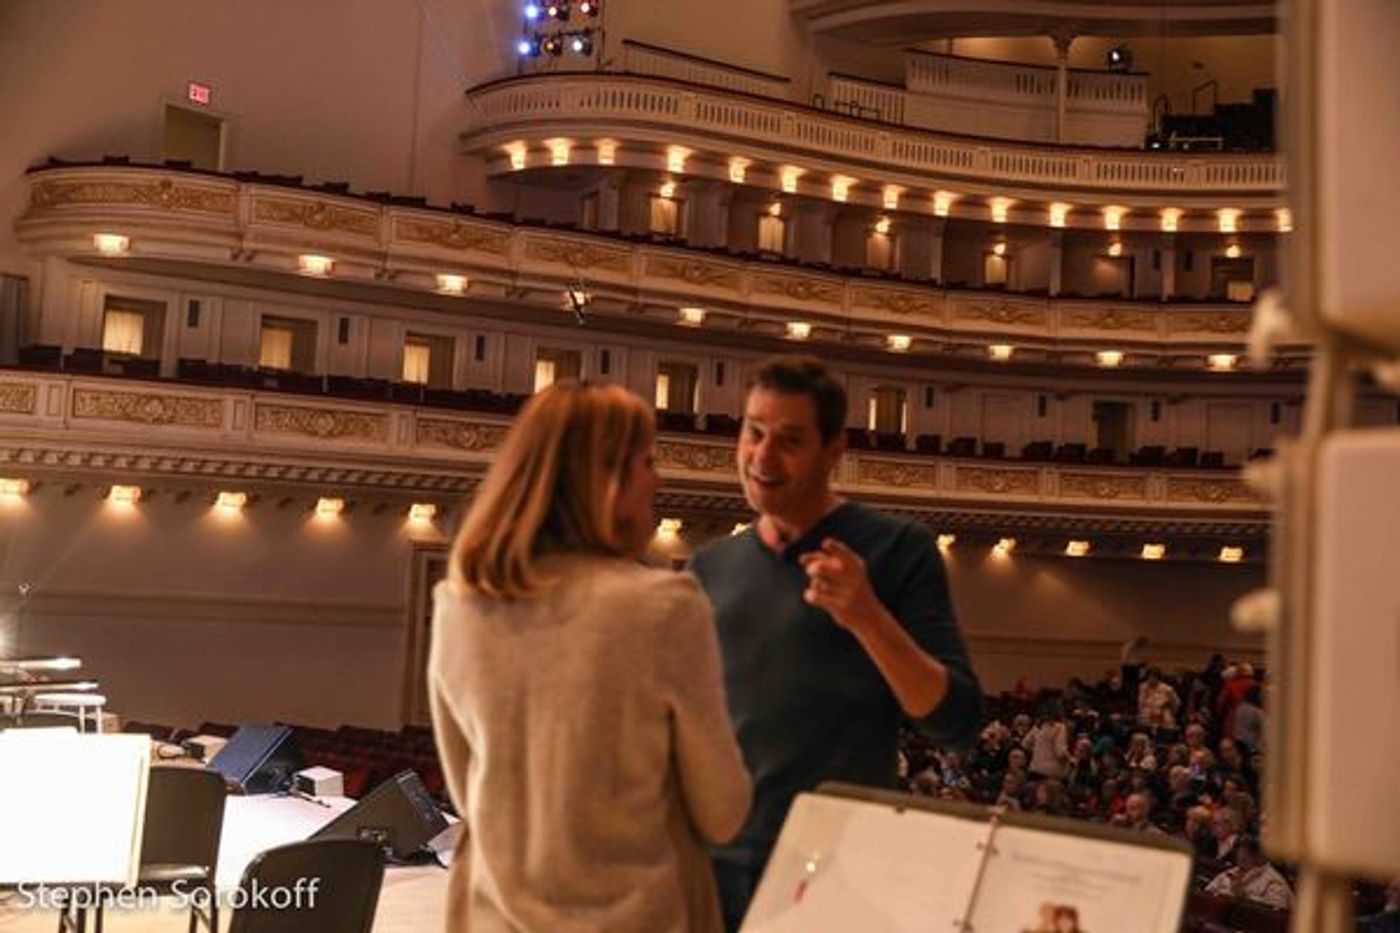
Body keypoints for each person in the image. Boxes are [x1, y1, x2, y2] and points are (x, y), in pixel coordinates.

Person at [429, 381, 751, 933]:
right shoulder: (663, 607)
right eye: (646, 461)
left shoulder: (458, 604)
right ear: (603, 476)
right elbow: (723, 812)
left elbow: (467, 790)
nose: (658, 478)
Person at [690, 355, 981, 931]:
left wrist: (868, 617)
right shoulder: (710, 567)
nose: (763, 457)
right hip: (716, 870)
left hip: (838, 877)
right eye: (754, 432)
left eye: (790, 440)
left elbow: (956, 722)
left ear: (833, 450)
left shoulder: (899, 550)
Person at [1204, 836, 1294, 910]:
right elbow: (1207, 892)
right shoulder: (1232, 872)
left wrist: (1243, 896)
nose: (1239, 865)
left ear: (1259, 858)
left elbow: (1274, 914)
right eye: (1238, 859)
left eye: (1244, 860)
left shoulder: (1274, 882)